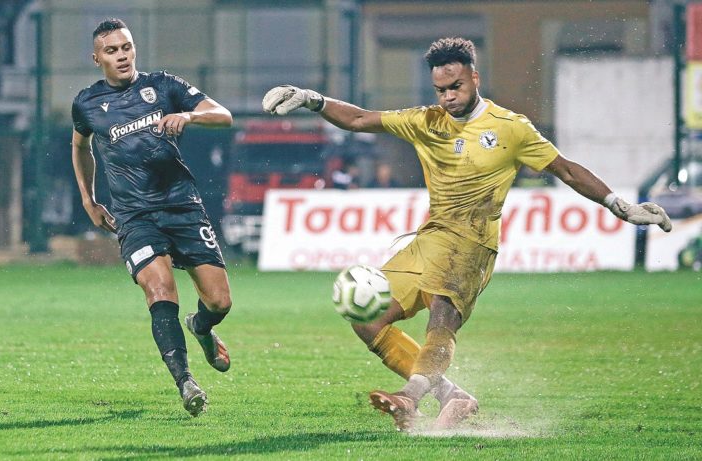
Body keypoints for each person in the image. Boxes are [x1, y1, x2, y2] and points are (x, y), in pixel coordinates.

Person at [262, 37, 672, 431]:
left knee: (441, 318)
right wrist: (313, 99)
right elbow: (358, 119)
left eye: (455, 86)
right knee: (365, 319)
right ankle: (453, 396)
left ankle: (410, 397)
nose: (448, 97)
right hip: (428, 240)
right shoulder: (426, 121)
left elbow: (564, 168)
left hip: (472, 244)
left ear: (475, 78)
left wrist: (620, 205)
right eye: (440, 90)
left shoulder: (511, 128)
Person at [71, 18, 233, 417]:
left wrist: (190, 117)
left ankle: (202, 327)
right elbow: (80, 147)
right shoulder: (87, 103)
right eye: (112, 50)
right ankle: (186, 382)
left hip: (182, 205)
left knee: (219, 301)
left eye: (126, 47)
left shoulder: (163, 85)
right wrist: (90, 201)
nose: (122, 56)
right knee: (160, 290)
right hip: (135, 216)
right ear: (96, 58)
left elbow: (223, 115)